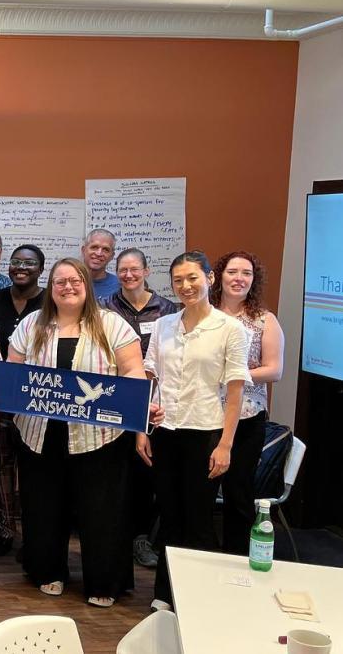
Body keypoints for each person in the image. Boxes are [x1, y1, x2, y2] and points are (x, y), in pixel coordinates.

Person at [8, 258, 157, 608]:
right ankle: (47, 572)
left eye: (75, 280)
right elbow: (13, 370)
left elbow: (134, 370)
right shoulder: (32, 324)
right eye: (60, 282)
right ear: (51, 288)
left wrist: (139, 404)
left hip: (99, 435)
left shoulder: (111, 324)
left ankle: (104, 581)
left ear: (87, 285)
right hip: (39, 433)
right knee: (44, 507)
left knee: (102, 511)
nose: (67, 287)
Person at [141, 251, 249, 610]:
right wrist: (142, 428)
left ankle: (199, 599)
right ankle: (164, 596)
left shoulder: (231, 329)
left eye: (192, 278)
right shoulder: (163, 325)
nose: (185, 286)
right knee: (169, 517)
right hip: (166, 432)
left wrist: (226, 445)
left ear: (209, 279)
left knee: (199, 521)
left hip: (205, 433)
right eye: (178, 280)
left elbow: (235, 392)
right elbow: (150, 378)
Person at [97, 248, 177, 568]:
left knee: (147, 471)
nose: (128, 275)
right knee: (117, 469)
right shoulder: (105, 307)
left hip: (156, 399)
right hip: (114, 397)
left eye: (134, 269)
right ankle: (116, 535)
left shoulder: (168, 310)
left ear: (146, 270)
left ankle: (142, 537)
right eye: (123, 270)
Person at [211, 251, 284, 555]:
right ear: (218, 276)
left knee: (238, 492)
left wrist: (234, 377)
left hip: (246, 417)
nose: (239, 278)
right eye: (232, 271)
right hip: (205, 413)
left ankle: (236, 558)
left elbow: (274, 370)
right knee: (198, 491)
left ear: (254, 280)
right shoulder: (205, 314)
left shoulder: (264, 320)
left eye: (246, 273)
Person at [0, 243, 45, 555]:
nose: (21, 267)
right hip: (0, 396)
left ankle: (36, 532)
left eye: (29, 264)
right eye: (16, 262)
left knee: (33, 467)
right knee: (0, 464)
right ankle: (5, 529)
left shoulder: (48, 302)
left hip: (36, 398)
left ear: (41, 270)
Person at [80, 228, 120, 300]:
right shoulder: (68, 282)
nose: (99, 253)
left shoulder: (120, 286)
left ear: (112, 256)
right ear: (83, 250)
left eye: (105, 249)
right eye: (94, 247)